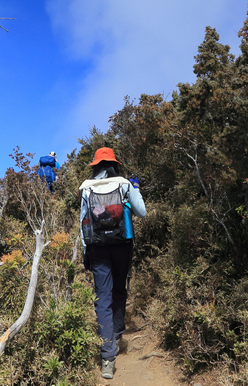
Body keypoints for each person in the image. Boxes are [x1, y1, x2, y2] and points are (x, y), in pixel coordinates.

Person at [79, 146, 145, 380]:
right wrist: (136, 189)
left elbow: (83, 223)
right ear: (114, 164)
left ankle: (108, 359)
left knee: (102, 298)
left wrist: (86, 252)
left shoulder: (86, 187)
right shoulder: (124, 184)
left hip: (97, 248)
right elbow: (142, 212)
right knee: (119, 290)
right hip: (122, 245)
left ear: (96, 166)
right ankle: (116, 334)